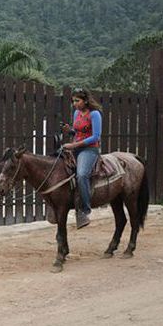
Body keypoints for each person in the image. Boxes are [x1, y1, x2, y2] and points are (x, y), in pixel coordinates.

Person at [61, 88, 103, 229]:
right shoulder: (77, 113)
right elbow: (77, 132)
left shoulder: (95, 114)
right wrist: (69, 131)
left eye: (77, 101)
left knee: (81, 175)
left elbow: (95, 136)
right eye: (73, 101)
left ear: (85, 101)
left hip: (89, 149)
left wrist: (74, 145)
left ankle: (85, 210)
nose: (75, 104)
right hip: (76, 147)